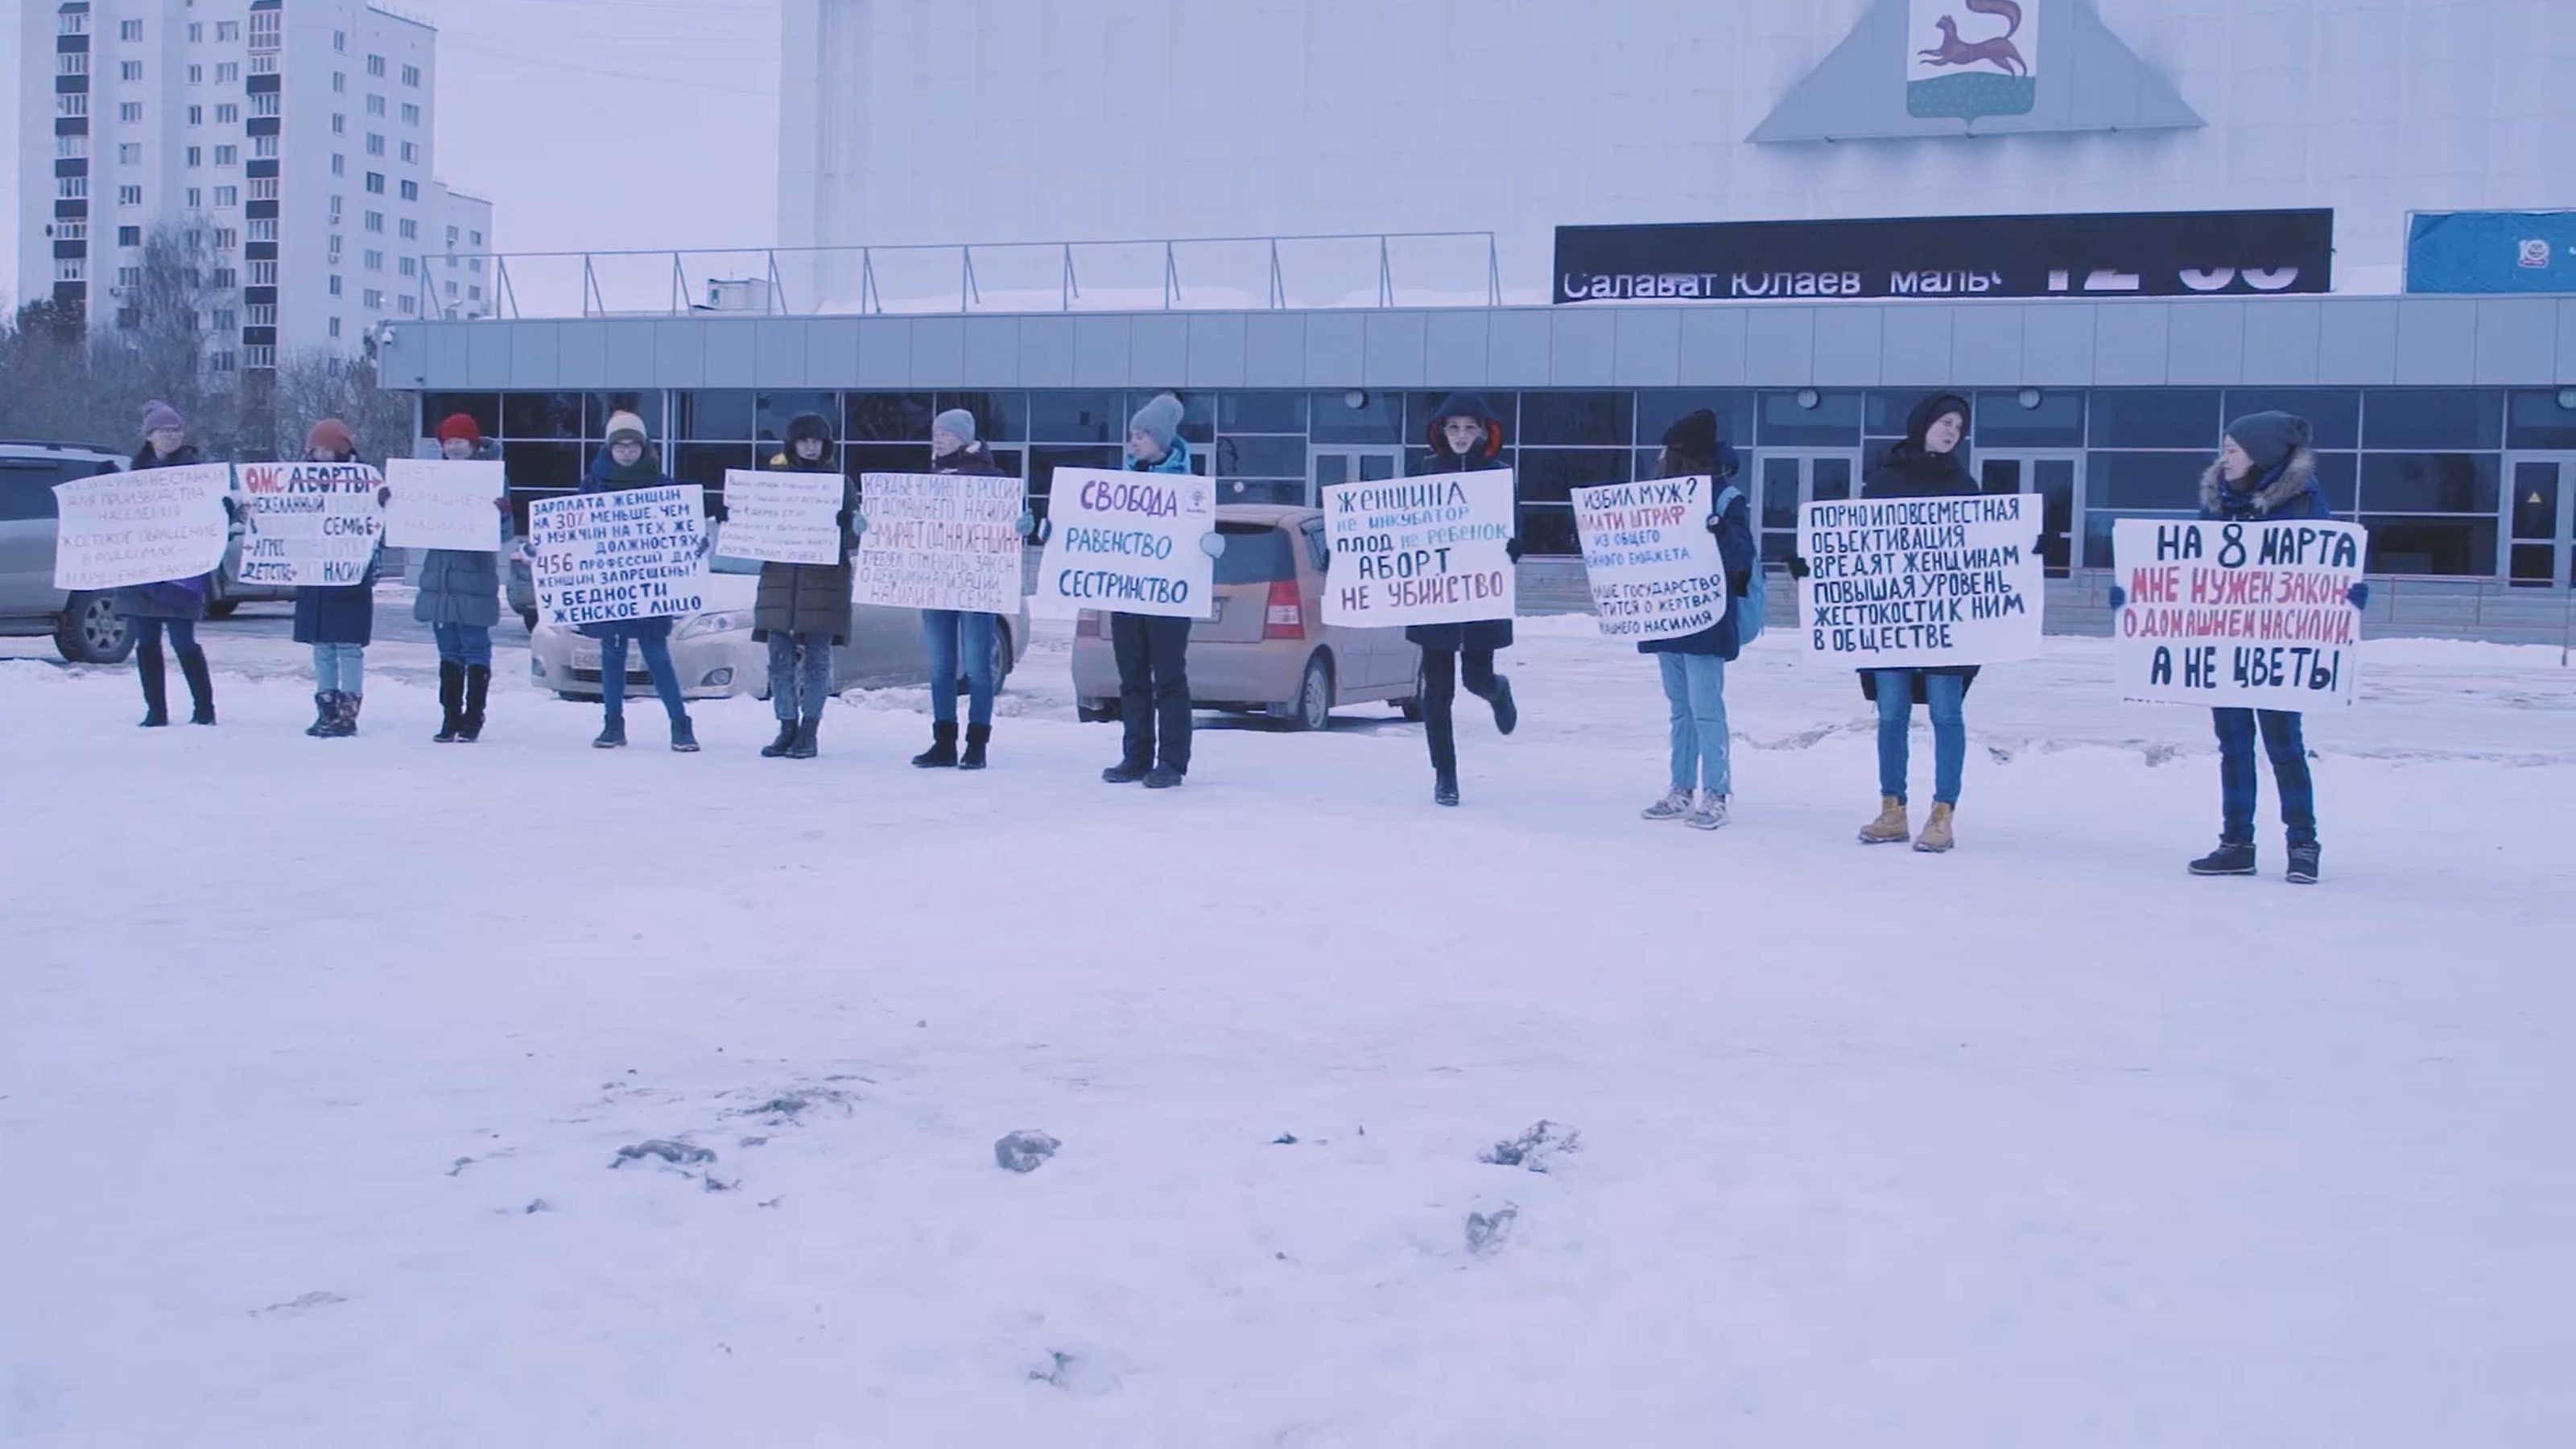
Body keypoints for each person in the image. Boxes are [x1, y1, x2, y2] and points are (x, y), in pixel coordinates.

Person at [2157, 411, 2359, 885]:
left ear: (2260, 453)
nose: (2223, 458)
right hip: (2227, 644)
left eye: (2232, 449)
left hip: (2277, 648)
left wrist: (2347, 596)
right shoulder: (2216, 503)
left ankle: (2303, 845)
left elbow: (2322, 570)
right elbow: (2193, 569)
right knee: (2233, 745)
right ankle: (2236, 844)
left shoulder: (2304, 502)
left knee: (2285, 745)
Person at [1852, 392, 1978, 853]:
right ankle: (1892, 810)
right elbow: (1856, 544)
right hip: (1890, 622)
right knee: (1891, 714)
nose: (1952, 431)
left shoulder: (1964, 484)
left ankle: (1942, 814)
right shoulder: (1884, 479)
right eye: (1945, 421)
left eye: (1959, 427)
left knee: (1946, 714)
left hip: (1946, 624)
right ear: (1922, 423)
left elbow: (1983, 550)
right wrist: (1816, 566)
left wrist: (2027, 549)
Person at [1636, 410, 1757, 830]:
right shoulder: (1658, 498)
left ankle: (1716, 793)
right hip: (1667, 615)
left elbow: (1742, 555)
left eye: (1668, 452)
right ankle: (1680, 787)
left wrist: (1719, 529)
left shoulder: (1726, 500)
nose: (1660, 458)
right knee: (1680, 709)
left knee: (1706, 708)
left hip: (1707, 618)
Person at [1099, 393, 1223, 789]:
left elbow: (1201, 536)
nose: (1133, 442)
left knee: (1168, 678)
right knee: (1131, 679)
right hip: (1127, 594)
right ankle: (1135, 755)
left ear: (1161, 438)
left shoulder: (1189, 489)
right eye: (1132, 435)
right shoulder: (1120, 486)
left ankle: (1172, 760)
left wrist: (1210, 545)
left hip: (1169, 598)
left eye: (1141, 435)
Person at [1409, 393, 1522, 808]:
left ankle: (1498, 692)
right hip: (1434, 599)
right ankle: (1446, 776)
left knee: (1476, 678)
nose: (1459, 436)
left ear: (1482, 432)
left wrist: (1514, 544)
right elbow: (1396, 527)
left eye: (1468, 428)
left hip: (1479, 598)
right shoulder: (1423, 473)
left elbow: (1514, 522)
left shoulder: (1496, 475)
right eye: (1452, 427)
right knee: (1437, 693)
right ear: (1441, 431)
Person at [580, 411, 699, 752]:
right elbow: (572, 532)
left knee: (657, 656)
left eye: (633, 445)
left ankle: (680, 724)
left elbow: (682, 528)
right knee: (612, 654)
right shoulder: (592, 485)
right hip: (610, 584)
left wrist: (694, 543)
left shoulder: (662, 484)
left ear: (644, 447)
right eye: (621, 445)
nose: (627, 452)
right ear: (610, 448)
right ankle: (612, 723)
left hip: (651, 585)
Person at [745, 412, 857, 761]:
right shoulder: (773, 482)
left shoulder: (840, 484)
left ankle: (809, 730)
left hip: (824, 584)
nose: (811, 446)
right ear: (792, 444)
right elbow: (753, 525)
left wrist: (847, 524)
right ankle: (786, 726)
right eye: (804, 440)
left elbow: (854, 535)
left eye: (817, 440)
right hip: (780, 581)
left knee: (817, 662)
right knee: (779, 660)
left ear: (826, 445)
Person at [116, 400, 221, 728]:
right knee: (146, 642)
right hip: (144, 571)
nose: (173, 436)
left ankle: (204, 708)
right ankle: (156, 711)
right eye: (166, 430)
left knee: (183, 642)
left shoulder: (194, 471)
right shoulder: (135, 473)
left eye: (177, 429)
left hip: (181, 572)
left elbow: (212, 512)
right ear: (149, 435)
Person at [914, 407, 1009, 770]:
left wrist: (1019, 524)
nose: (939, 438)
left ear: (965, 439)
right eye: (936, 432)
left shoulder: (991, 479)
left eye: (947, 433)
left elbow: (1006, 531)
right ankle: (943, 742)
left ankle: (977, 744)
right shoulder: (928, 481)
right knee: (940, 667)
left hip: (976, 586)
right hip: (936, 583)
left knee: (978, 668)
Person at [410, 413, 510, 743]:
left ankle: (473, 717)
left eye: (459, 441)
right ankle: (450, 717)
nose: (453, 447)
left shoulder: (491, 479)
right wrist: (392, 503)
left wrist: (504, 514)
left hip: (474, 578)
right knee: (448, 651)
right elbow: (410, 519)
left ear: (473, 444)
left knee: (475, 648)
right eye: (448, 441)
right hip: (440, 579)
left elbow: (504, 533)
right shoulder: (429, 481)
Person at [290, 419, 384, 737]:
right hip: (315, 578)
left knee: (347, 646)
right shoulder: (298, 482)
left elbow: (378, 526)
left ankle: (347, 712)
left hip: (349, 576)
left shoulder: (364, 482)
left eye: (330, 449)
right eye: (317, 449)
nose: (323, 455)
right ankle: (326, 709)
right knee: (322, 647)